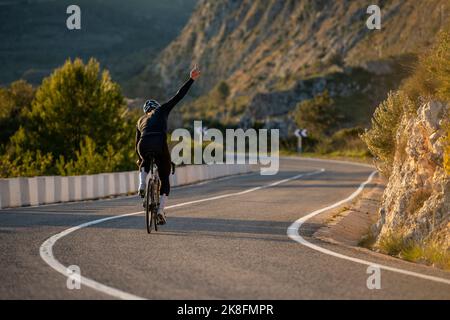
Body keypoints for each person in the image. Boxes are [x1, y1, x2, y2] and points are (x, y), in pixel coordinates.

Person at [136, 65, 201, 224]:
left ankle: (142, 184)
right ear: (156, 108)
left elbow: (136, 143)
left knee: (144, 161)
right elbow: (178, 96)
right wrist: (191, 79)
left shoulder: (140, 120)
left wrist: (139, 158)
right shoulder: (163, 110)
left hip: (143, 145)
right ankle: (160, 211)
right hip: (159, 142)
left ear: (146, 111)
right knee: (165, 178)